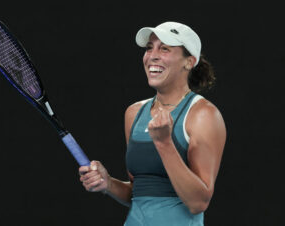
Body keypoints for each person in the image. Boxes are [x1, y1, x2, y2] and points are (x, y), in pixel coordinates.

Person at [79, 21, 226, 226]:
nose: (152, 56)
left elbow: (198, 202)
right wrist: (109, 184)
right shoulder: (134, 113)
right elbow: (138, 192)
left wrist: (165, 144)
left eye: (164, 48)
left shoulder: (203, 115)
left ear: (189, 61)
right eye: (149, 48)